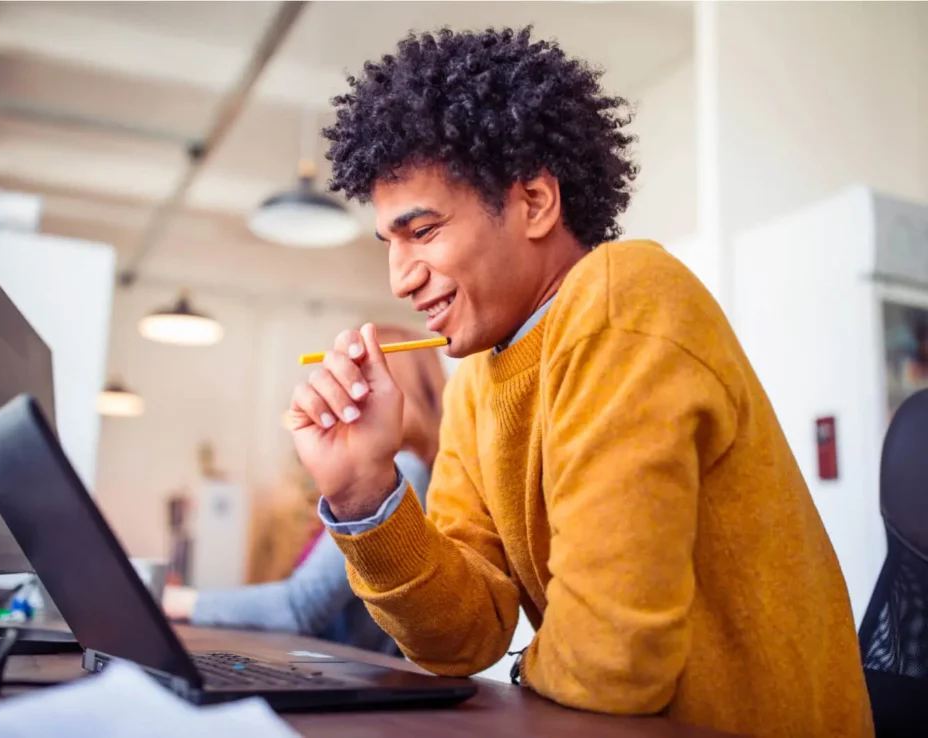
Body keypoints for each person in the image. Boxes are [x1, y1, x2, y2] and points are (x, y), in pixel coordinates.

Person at [284, 27, 873, 736]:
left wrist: (526, 670)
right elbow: (461, 641)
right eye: (391, 242)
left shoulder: (622, 297)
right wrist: (364, 490)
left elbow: (611, 663)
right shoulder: (477, 378)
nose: (400, 278)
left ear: (534, 201)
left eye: (425, 231)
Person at [164, 325, 446, 655]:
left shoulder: (403, 470)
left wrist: (183, 601)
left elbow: (301, 607)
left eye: (353, 371)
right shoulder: (397, 467)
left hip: (349, 680)